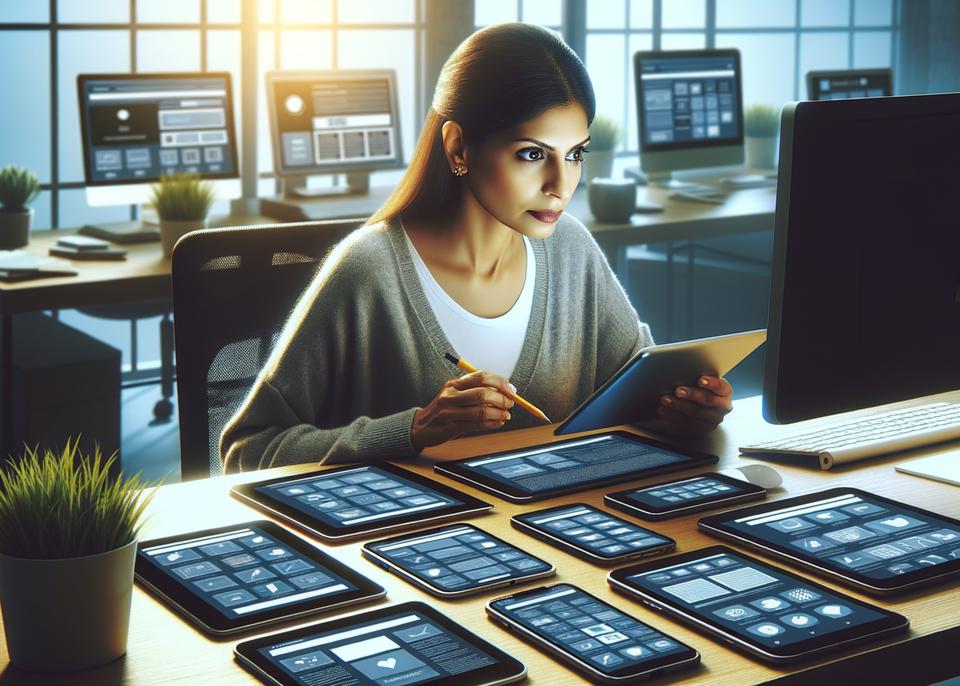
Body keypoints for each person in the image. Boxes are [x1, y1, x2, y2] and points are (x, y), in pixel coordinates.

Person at [221, 23, 734, 472]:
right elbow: (247, 451)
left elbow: (637, 399)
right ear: (458, 147)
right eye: (532, 154)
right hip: (420, 557)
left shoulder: (571, 249)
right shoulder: (369, 271)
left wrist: (684, 412)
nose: (561, 184)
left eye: (575, 154)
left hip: (561, 540)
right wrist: (415, 429)